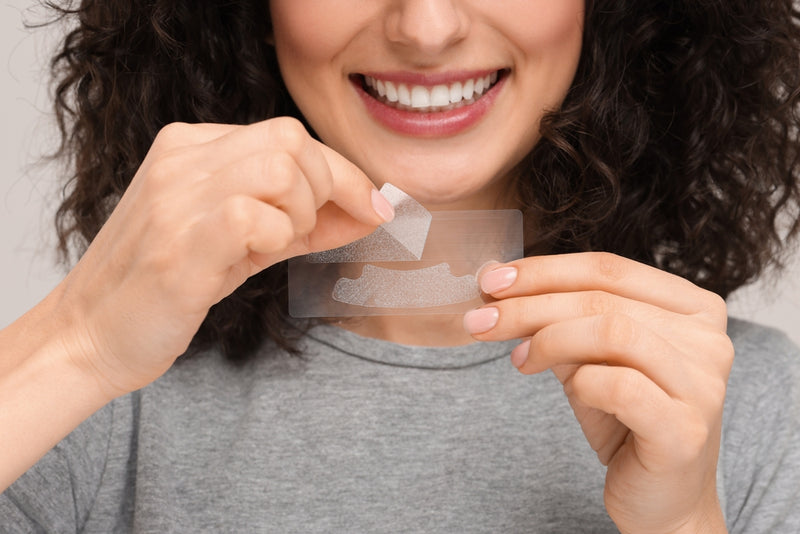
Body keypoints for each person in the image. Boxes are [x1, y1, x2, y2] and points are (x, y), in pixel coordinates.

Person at [2, 0, 800, 532]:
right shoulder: (97, 402)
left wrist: (688, 521)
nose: (425, 28)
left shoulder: (743, 410)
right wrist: (75, 347)